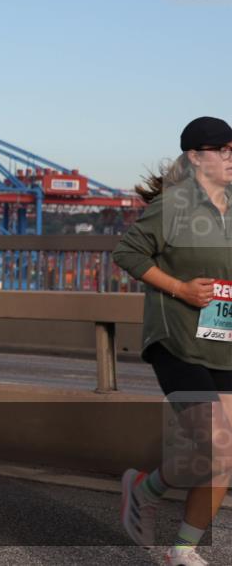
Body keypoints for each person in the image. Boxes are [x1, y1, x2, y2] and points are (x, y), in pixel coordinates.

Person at [114, 116, 232, 566]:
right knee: (218, 448)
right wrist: (180, 288)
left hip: (223, 341)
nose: (231, 157)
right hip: (177, 339)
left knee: (223, 454)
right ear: (196, 157)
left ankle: (176, 542)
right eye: (222, 149)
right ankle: (166, 526)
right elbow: (127, 252)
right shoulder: (174, 206)